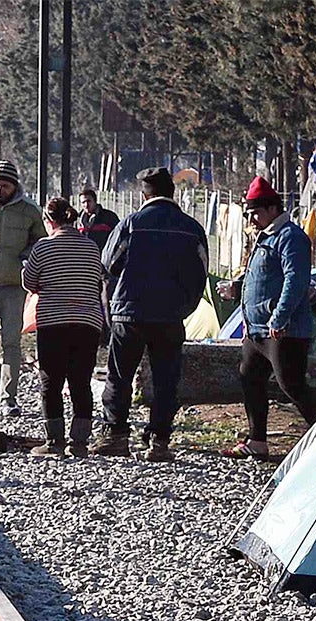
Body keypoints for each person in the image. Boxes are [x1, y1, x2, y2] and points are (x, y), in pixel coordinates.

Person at [96, 165, 207, 462]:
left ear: (144, 194)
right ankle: (159, 441)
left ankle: (116, 435)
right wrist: (186, 306)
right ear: (173, 192)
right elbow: (200, 273)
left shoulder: (131, 224)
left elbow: (109, 262)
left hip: (129, 312)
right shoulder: (192, 228)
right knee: (165, 378)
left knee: (120, 375)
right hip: (170, 315)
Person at [220, 177, 316, 460]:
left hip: (284, 330)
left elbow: (296, 281)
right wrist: (237, 288)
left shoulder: (291, 237)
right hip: (256, 329)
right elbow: (263, 278)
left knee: (292, 384)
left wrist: (280, 318)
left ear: (273, 208)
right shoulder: (266, 236)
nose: (251, 218)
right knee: (250, 378)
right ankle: (257, 441)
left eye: (256, 212)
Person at [22, 196, 108, 458]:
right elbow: (97, 279)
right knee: (81, 381)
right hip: (87, 322)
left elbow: (29, 282)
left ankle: (54, 441)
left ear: (50, 222)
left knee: (51, 381)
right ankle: (79, 442)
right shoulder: (91, 248)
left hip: (53, 321)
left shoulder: (43, 248)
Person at [0, 161, 47, 417]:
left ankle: (8, 396)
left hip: (15, 287)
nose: (0, 189)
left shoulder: (29, 211)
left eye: (5, 184)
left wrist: (26, 258)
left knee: (11, 343)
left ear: (14, 185)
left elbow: (39, 241)